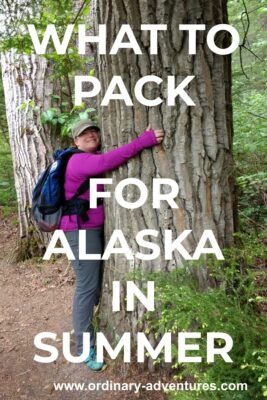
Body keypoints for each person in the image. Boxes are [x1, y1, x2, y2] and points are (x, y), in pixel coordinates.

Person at [59, 119, 164, 371]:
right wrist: (144, 141)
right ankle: (84, 348)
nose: (90, 135)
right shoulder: (77, 160)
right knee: (87, 287)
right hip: (80, 231)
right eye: (83, 133)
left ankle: (92, 328)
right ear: (75, 141)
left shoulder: (88, 158)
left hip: (92, 230)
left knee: (94, 287)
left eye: (94, 130)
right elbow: (107, 162)